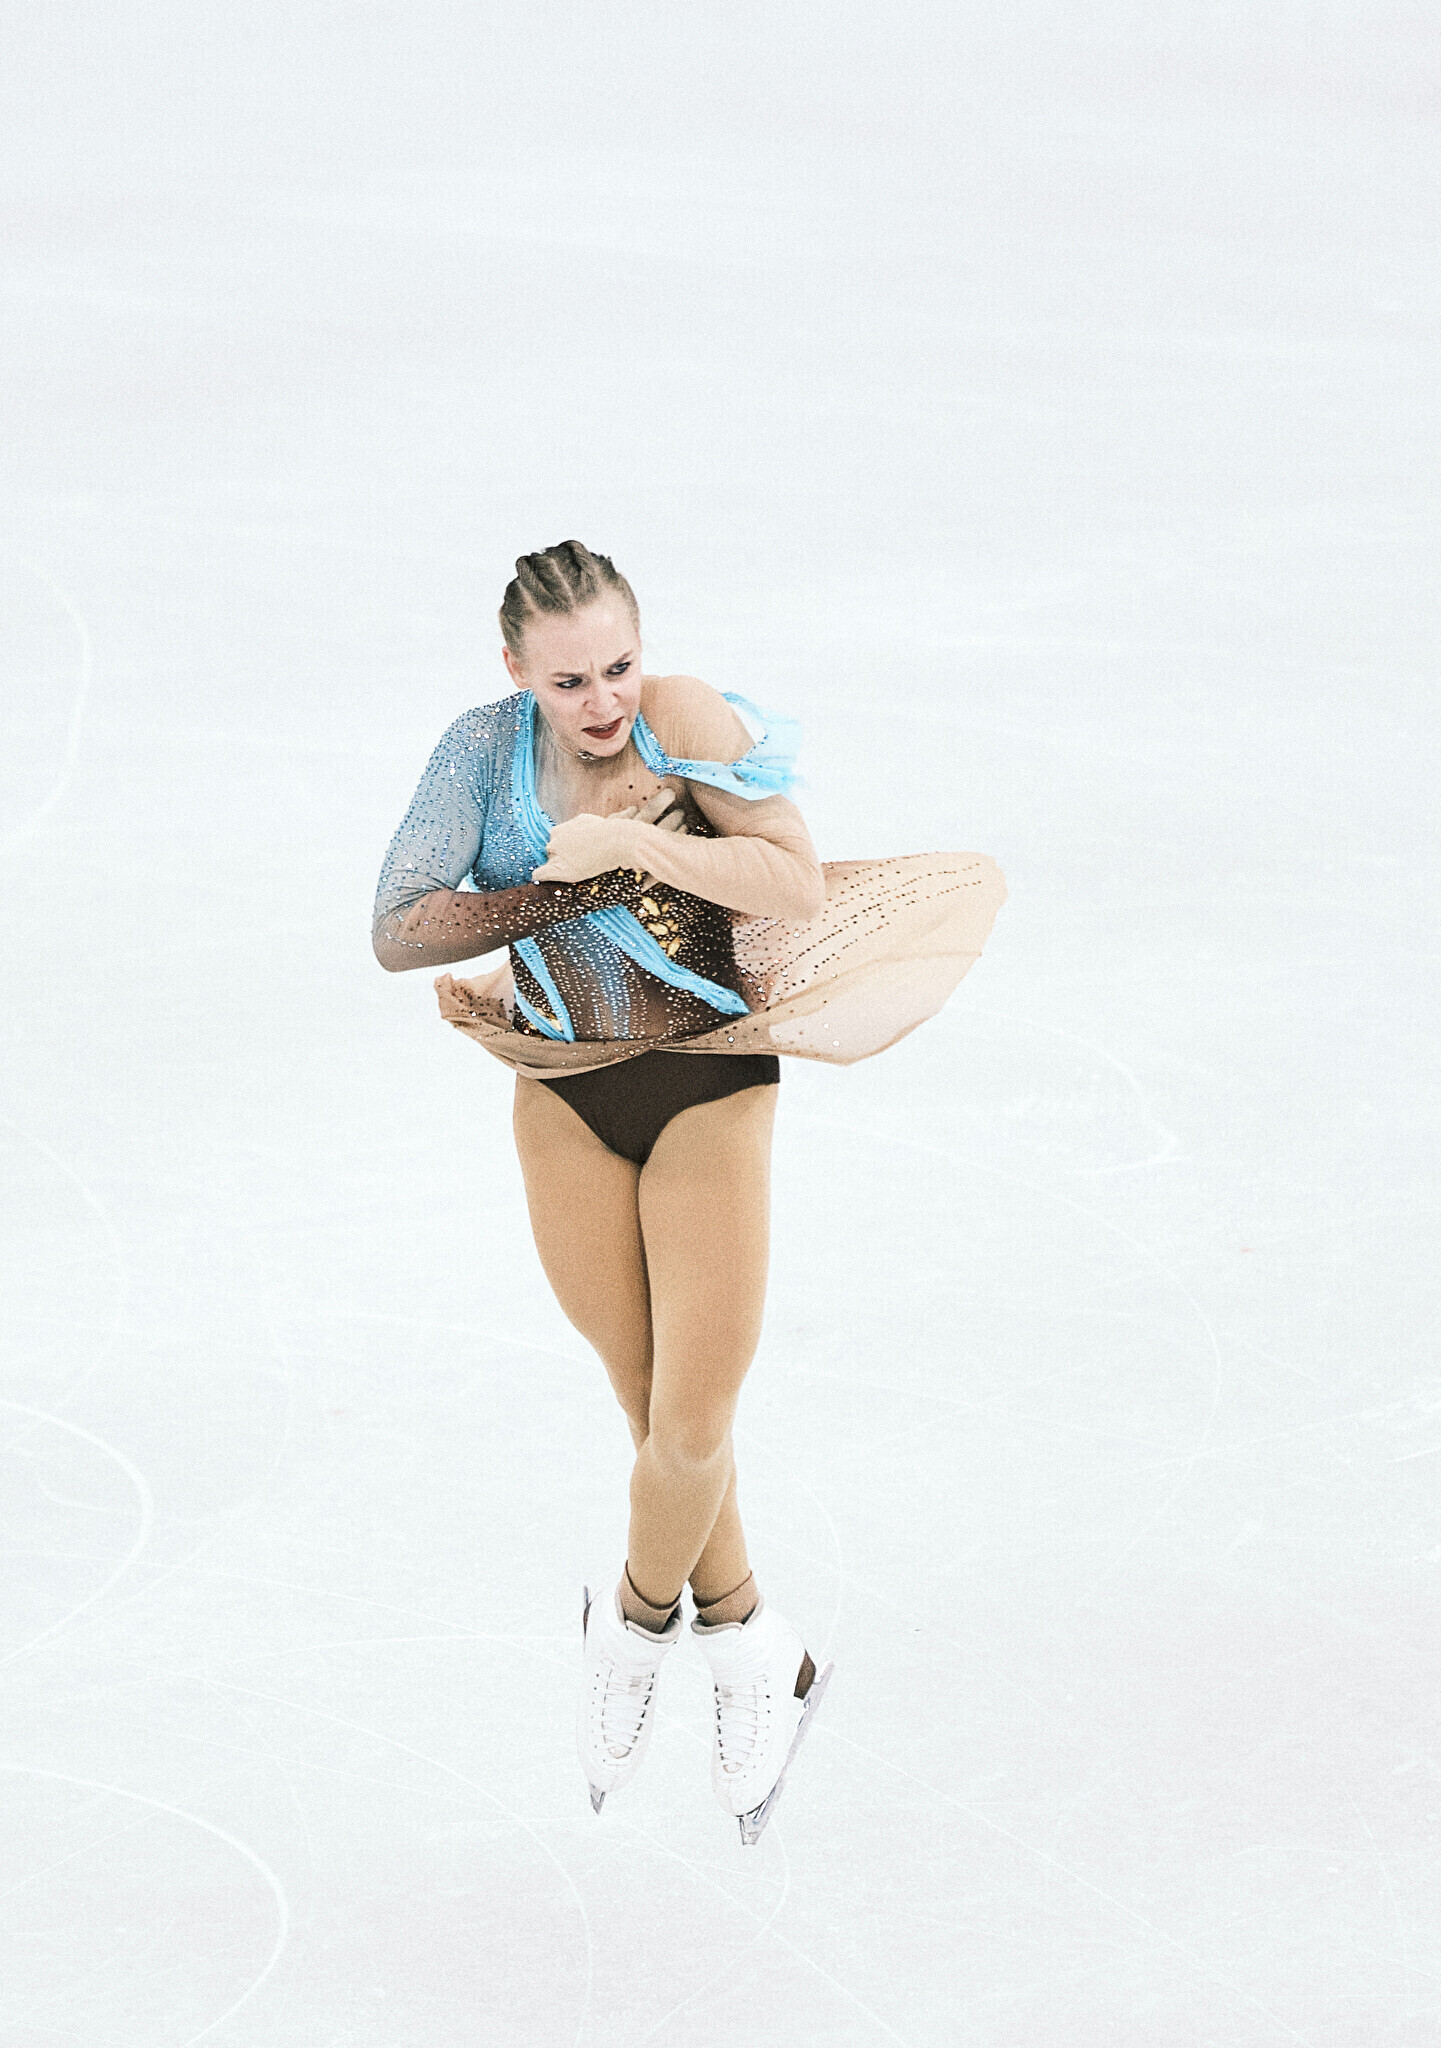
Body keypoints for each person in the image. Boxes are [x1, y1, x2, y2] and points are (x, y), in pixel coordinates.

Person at [370, 541, 1004, 1843]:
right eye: (568, 681)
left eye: (617, 666)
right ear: (516, 671)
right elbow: (398, 927)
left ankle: (628, 1632)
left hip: (707, 1080)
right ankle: (758, 1644)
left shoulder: (683, 720)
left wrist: (632, 848)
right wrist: (568, 891)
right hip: (563, 1090)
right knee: (646, 1399)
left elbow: (792, 878)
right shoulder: (481, 754)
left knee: (694, 1424)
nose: (602, 701)